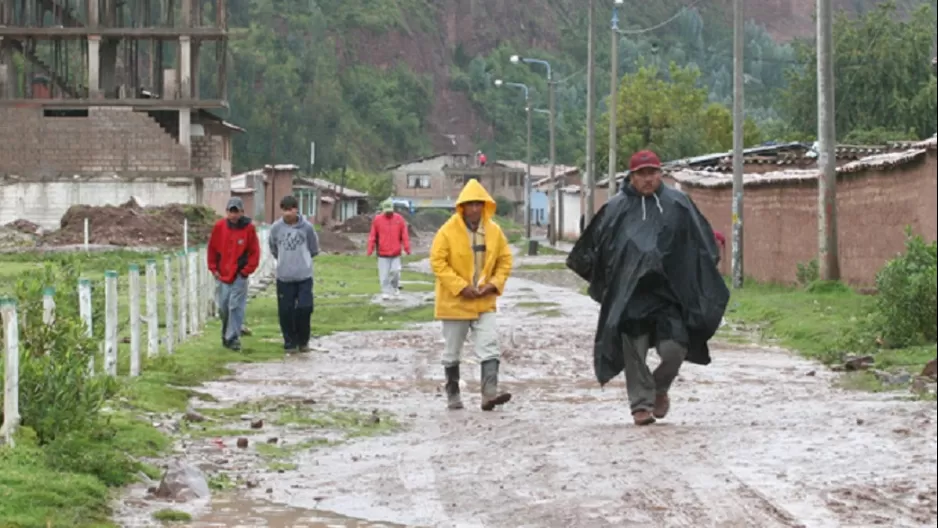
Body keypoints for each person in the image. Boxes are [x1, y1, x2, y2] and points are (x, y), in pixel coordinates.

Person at [567, 150, 729, 426]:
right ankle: (640, 405)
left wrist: (698, 270)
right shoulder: (616, 209)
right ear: (631, 177)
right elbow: (593, 250)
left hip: (670, 296)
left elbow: (700, 242)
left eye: (652, 172)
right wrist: (611, 285)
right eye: (641, 174)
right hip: (632, 297)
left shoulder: (679, 204)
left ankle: (660, 388)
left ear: (660, 173)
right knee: (635, 353)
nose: (648, 179)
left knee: (674, 351)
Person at [429, 179, 513, 411]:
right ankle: (453, 394)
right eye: (470, 204)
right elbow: (438, 262)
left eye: (479, 204)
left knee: (490, 346)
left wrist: (493, 284)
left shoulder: (494, 232)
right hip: (455, 302)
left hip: (484, 300)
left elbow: (505, 260)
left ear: (485, 205)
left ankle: (489, 395)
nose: (475, 209)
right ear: (462, 207)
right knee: (452, 351)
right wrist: (460, 287)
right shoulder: (447, 232)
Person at [207, 197, 261, 351]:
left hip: (239, 274)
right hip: (222, 274)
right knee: (223, 307)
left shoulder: (248, 229)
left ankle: (233, 338)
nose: (234, 215)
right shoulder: (219, 227)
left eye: (237, 211)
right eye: (231, 211)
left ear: (242, 212)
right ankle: (226, 334)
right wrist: (213, 268)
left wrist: (246, 271)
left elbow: (254, 252)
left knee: (235, 306)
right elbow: (212, 248)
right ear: (227, 212)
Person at [269, 195, 320, 354]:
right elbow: (273, 248)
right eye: (285, 210)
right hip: (284, 276)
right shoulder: (276, 228)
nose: (288, 213)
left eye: (290, 209)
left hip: (304, 275)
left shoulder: (307, 228)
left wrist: (302, 260)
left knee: (305, 308)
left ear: (296, 209)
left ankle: (303, 340)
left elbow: (313, 249)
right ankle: (289, 342)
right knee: (286, 310)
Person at [367, 199, 411, 300]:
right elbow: (373, 235)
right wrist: (370, 248)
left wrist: (407, 248)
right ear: (383, 209)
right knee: (384, 274)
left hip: (396, 252)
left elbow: (404, 235)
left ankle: (395, 287)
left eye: (390, 210)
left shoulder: (399, 219)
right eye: (386, 210)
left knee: (395, 271)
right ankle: (385, 291)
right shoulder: (377, 220)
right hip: (382, 252)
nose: (388, 212)